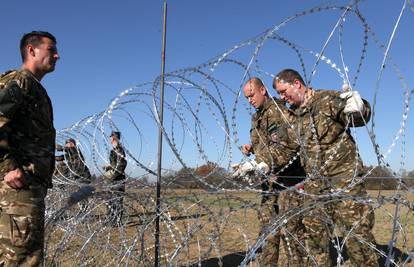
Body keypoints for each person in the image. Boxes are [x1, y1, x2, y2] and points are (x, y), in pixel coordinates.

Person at [273, 69, 378, 266]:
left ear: (296, 84)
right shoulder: (293, 117)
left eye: (283, 90)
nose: (282, 97)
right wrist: (261, 162)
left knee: (358, 239)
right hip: (314, 186)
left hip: (344, 180)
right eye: (279, 94)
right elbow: (286, 149)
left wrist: (361, 107)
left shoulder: (327, 99)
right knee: (315, 241)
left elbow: (356, 118)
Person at [0, 31, 59, 266]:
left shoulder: (35, 88)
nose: (57, 55)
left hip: (27, 192)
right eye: (51, 50)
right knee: (22, 260)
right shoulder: (20, 81)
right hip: (17, 194)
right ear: (31, 50)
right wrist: (8, 167)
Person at [233, 77, 306, 266]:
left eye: (251, 95)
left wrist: (261, 162)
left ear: (263, 90)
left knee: (292, 233)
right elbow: (267, 146)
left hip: (288, 181)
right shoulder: (257, 116)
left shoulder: (278, 111)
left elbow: (284, 147)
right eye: (246, 98)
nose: (250, 100)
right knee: (268, 231)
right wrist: (252, 150)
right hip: (270, 183)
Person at [104, 131, 127, 225]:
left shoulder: (119, 149)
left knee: (117, 200)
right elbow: (115, 164)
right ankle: (110, 219)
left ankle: (116, 221)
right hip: (113, 179)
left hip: (117, 178)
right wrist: (109, 167)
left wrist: (113, 173)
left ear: (114, 138)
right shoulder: (114, 150)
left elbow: (122, 164)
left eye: (111, 137)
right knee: (110, 200)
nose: (110, 139)